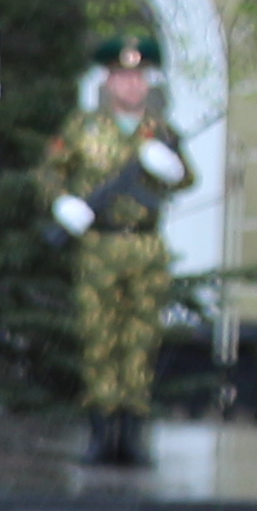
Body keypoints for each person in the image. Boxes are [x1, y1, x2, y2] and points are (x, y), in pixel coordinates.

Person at [45, 35, 192, 468]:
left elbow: (186, 179)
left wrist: (173, 168)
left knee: (141, 340)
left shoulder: (162, 131)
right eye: (123, 77)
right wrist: (63, 203)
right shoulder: (82, 128)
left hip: (145, 245)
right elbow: (51, 173)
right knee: (99, 339)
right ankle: (100, 434)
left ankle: (133, 436)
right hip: (99, 246)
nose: (131, 86)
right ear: (108, 81)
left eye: (139, 78)